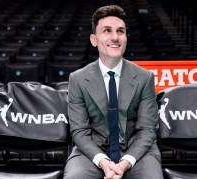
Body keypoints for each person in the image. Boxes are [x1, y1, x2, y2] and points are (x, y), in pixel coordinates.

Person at [64, 5, 163, 179]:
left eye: (120, 31)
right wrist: (103, 162)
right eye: (107, 31)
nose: (115, 37)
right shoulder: (78, 79)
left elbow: (148, 130)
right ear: (94, 39)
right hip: (92, 151)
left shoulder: (144, 77)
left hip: (137, 151)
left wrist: (124, 163)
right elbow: (79, 131)